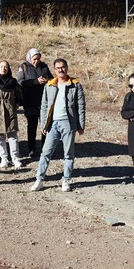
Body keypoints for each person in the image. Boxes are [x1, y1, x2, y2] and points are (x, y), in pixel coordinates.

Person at [31, 58, 85, 193]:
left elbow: (81, 106)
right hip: (52, 123)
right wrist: (44, 124)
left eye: (63, 67)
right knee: (46, 152)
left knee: (68, 153)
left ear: (67, 67)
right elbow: (44, 105)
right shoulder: (50, 85)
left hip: (68, 123)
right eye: (58, 68)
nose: (61, 70)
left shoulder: (75, 85)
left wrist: (81, 125)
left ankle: (66, 180)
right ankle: (39, 179)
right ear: (54, 70)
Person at [16, 48, 52, 159]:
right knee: (32, 126)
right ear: (29, 58)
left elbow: (52, 79)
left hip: (43, 101)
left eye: (38, 59)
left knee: (45, 125)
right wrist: (34, 82)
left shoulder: (44, 67)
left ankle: (45, 148)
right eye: (34, 59)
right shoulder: (23, 67)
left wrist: (46, 80)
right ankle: (31, 148)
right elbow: (20, 82)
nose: (36, 61)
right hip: (30, 101)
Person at [0, 60, 24, 169]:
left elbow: (19, 96)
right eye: (1, 66)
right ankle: (4, 158)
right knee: (0, 136)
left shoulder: (13, 82)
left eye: (5, 66)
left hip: (10, 112)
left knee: (12, 135)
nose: (3, 68)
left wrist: (15, 106)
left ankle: (15, 158)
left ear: (8, 68)